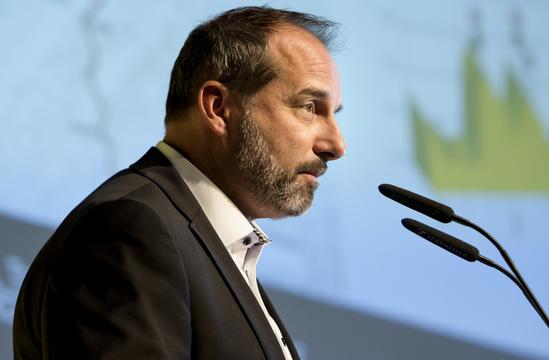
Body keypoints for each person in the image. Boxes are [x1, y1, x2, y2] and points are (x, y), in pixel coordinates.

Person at [13, 6, 345, 359]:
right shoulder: (130, 230)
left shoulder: (202, 242)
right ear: (218, 108)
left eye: (334, 114)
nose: (337, 146)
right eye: (309, 107)